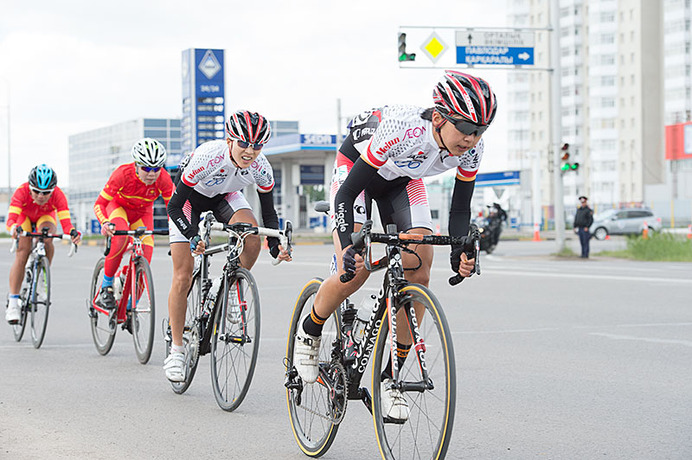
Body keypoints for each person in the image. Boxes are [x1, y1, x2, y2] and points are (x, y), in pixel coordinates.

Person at [292, 71, 497, 421]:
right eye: (465, 127)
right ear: (438, 117)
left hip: (403, 178)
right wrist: (347, 248)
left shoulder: (471, 149)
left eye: (480, 130)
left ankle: (392, 377)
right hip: (359, 171)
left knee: (420, 263)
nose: (471, 138)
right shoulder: (403, 129)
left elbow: (460, 208)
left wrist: (460, 250)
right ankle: (310, 331)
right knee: (353, 273)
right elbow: (347, 193)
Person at [164, 110, 292, 382]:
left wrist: (274, 247)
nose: (250, 151)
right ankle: (176, 349)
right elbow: (174, 205)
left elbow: (268, 216)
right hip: (189, 199)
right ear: (229, 139)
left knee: (252, 237)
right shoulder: (208, 157)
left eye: (257, 146)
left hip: (225, 196)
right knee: (183, 275)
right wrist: (191, 235)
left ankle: (232, 289)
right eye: (243, 144)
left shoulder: (261, 167)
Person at [92, 138, 174, 310]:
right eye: (146, 168)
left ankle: (131, 306)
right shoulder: (122, 174)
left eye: (156, 168)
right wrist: (105, 223)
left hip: (142, 213)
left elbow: (174, 209)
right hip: (118, 208)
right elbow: (99, 204)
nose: (151, 174)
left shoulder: (164, 179)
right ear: (136, 165)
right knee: (120, 238)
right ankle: (105, 287)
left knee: (146, 256)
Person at [5, 165, 82, 324]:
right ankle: (13, 303)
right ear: (30, 188)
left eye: (46, 193)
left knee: (47, 238)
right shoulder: (21, 191)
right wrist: (13, 228)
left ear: (53, 190)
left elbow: (66, 223)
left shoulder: (59, 195)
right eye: (36, 191)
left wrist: (73, 233)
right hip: (24, 218)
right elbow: (11, 219)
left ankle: (41, 275)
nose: (41, 196)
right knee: (23, 251)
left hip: (45, 216)